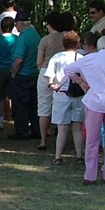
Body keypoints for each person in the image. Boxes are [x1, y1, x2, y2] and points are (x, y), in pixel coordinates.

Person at [65, 35, 105, 185]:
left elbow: (68, 69)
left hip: (94, 100)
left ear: (98, 46)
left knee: (92, 139)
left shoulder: (90, 59)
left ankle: (90, 175)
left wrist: (81, 82)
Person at [44, 32, 85, 165]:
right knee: (77, 127)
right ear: (77, 43)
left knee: (62, 128)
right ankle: (79, 156)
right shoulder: (81, 57)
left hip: (61, 94)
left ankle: (58, 157)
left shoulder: (57, 57)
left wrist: (52, 85)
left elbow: (49, 75)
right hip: (78, 94)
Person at [36, 11, 69, 150]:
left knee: (44, 107)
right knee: (63, 106)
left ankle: (43, 140)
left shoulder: (45, 39)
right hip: (64, 72)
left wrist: (41, 70)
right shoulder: (67, 38)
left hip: (45, 71)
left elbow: (39, 60)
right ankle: (61, 138)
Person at [9, 11, 41, 140]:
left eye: (16, 24)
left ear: (21, 23)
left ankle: (21, 131)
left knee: (20, 104)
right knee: (34, 104)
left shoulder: (23, 37)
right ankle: (36, 129)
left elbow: (19, 60)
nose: (16, 27)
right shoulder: (36, 35)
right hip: (35, 74)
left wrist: (13, 74)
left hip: (22, 75)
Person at [0, 17, 17, 129]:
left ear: (1, 27)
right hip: (12, 69)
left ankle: (0, 120)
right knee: (13, 96)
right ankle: (12, 117)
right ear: (13, 27)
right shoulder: (17, 39)